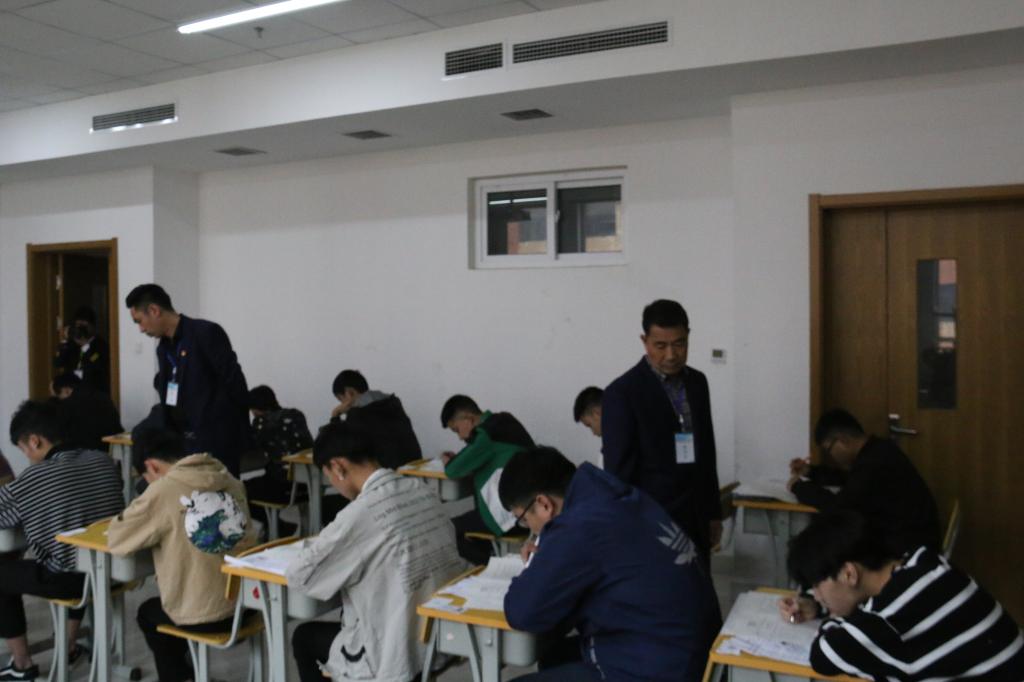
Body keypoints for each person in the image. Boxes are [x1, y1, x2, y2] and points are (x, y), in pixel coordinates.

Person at [500, 446, 721, 682]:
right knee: (555, 656)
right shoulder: (609, 495)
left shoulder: (579, 525)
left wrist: (533, 567)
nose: (530, 530)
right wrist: (550, 557)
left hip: (660, 666)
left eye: (524, 520)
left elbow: (522, 613)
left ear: (544, 504)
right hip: (686, 650)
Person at [286, 421, 465, 682]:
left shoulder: (360, 513)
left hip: (395, 650)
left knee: (303, 638)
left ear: (338, 467)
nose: (333, 484)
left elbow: (300, 576)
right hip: (437, 638)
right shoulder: (421, 490)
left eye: (328, 476)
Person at [780, 510, 1024, 680]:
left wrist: (833, 615)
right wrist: (819, 607)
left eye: (817, 585)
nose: (816, 594)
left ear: (849, 574)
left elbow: (823, 655)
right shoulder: (926, 562)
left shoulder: (885, 622)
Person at [107, 427, 256, 682]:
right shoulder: (227, 477)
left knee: (149, 614)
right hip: (248, 604)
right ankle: (189, 671)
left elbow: (117, 538)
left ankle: (181, 676)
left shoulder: (164, 490)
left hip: (207, 614)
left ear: (151, 466)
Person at [0, 400, 123, 682]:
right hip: (110, 571)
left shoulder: (35, 477)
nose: (27, 457)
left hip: (70, 578)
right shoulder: (103, 461)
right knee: (76, 554)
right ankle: (68, 647)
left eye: (24, 450)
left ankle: (21, 664)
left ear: (35, 441)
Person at [602, 299, 723, 561]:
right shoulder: (623, 393)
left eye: (679, 344)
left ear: (688, 337)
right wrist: (625, 527)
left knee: (700, 582)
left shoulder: (697, 383)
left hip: (697, 514)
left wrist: (714, 512)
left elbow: (707, 450)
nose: (671, 355)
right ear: (644, 341)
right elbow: (619, 471)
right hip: (653, 519)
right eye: (660, 346)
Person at [126, 283, 252, 476]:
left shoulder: (205, 333)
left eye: (139, 321)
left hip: (215, 441)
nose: (141, 329)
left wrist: (237, 435)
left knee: (219, 493)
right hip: (182, 442)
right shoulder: (163, 348)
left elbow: (235, 384)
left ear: (154, 310)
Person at [786, 408, 941, 555]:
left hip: (907, 546)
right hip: (910, 536)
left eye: (829, 450)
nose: (831, 456)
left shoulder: (873, 463)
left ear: (842, 440)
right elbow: (849, 479)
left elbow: (838, 506)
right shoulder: (878, 450)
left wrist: (798, 487)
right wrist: (810, 471)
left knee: (832, 538)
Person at [440, 394, 535, 565]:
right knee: (472, 525)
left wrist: (448, 462)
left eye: (456, 430)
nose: (460, 437)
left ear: (468, 418)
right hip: (529, 509)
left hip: (511, 516)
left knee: (447, 529)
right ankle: (489, 561)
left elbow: (453, 471)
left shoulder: (486, 436)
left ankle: (490, 566)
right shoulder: (505, 421)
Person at [244, 385, 313, 532]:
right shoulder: (296, 415)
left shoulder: (260, 423)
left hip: (282, 488)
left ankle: (280, 528)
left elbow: (250, 450)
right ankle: (279, 528)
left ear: (254, 408)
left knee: (238, 490)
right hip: (308, 485)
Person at [329, 369, 421, 469]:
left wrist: (335, 415)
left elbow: (340, 447)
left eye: (341, 399)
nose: (342, 404)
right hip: (415, 467)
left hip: (389, 473)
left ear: (349, 392)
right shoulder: (392, 402)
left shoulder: (358, 414)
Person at [51, 372, 123, 452]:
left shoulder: (67, 405)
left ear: (66, 390)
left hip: (81, 453)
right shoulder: (103, 397)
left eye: (58, 397)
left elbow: (60, 435)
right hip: (111, 450)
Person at [53, 306, 110, 394]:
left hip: (92, 391)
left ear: (92, 326)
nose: (81, 329)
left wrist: (85, 344)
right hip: (72, 391)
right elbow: (58, 363)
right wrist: (65, 339)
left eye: (84, 326)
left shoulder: (100, 345)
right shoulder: (71, 344)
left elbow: (95, 365)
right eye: (78, 326)